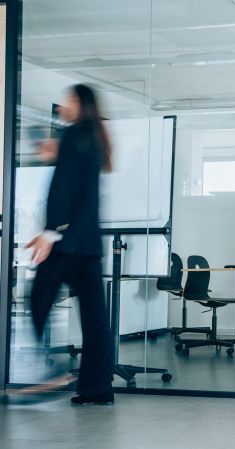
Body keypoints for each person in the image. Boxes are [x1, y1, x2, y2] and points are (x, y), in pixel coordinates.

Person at [26, 84, 115, 405]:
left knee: (37, 299)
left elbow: (65, 190)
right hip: (87, 243)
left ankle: (39, 372)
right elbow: (79, 185)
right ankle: (98, 387)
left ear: (79, 103)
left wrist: (50, 232)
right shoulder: (91, 135)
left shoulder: (76, 134)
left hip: (67, 242)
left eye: (67, 100)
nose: (64, 105)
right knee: (94, 321)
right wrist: (57, 153)